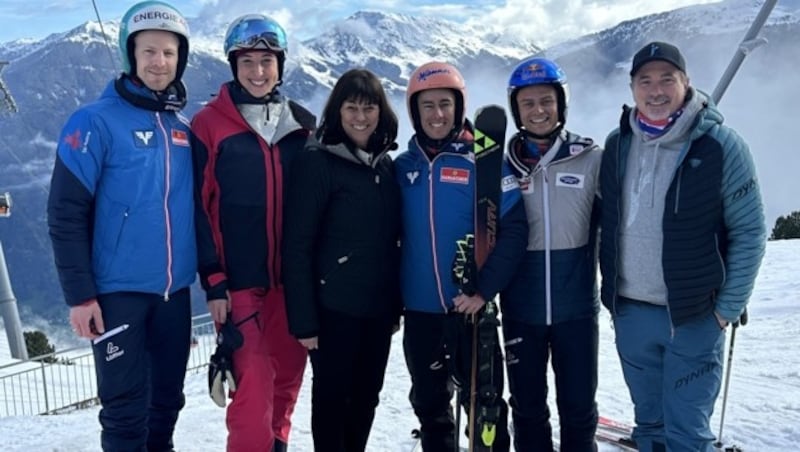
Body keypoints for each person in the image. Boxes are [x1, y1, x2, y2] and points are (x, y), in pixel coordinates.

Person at [599, 41, 766, 452]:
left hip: (693, 315)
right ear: (632, 87)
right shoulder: (617, 144)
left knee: (687, 432)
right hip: (631, 311)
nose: (656, 90)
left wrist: (725, 310)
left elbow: (750, 232)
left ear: (686, 82)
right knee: (650, 425)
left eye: (666, 79)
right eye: (645, 81)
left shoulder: (721, 146)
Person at [46, 1, 196, 450]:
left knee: (167, 404)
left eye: (169, 53)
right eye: (148, 51)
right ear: (130, 55)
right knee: (125, 412)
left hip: (174, 294)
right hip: (117, 295)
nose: (159, 62)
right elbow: (65, 213)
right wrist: (80, 296)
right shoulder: (93, 121)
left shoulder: (182, 127)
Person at [189, 13, 315, 452]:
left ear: (280, 64)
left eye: (267, 61)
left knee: (285, 385)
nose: (258, 72)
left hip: (294, 284)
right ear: (233, 66)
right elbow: (198, 208)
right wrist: (214, 279)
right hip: (240, 285)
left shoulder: (303, 124)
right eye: (248, 62)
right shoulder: (210, 125)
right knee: (251, 394)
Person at [394, 61, 528, 451]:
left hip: (472, 310)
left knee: (485, 408)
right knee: (431, 409)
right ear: (414, 113)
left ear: (459, 106)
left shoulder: (482, 162)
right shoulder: (403, 168)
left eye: (445, 104)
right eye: (427, 106)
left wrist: (485, 291)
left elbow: (515, 231)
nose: (437, 115)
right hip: (420, 313)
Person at [282, 68, 402, 452]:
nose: (361, 116)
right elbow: (297, 244)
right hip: (333, 309)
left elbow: (392, 241)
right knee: (334, 401)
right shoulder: (318, 161)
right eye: (352, 107)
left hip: (377, 310)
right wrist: (304, 320)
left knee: (367, 398)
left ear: (381, 112)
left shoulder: (384, 164)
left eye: (369, 107)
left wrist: (394, 306)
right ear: (338, 110)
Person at [500, 57, 602, 452]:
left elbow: (626, 223)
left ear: (561, 103)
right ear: (516, 110)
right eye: (528, 103)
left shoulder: (590, 157)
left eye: (547, 100)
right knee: (527, 408)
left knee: (577, 407)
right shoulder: (501, 165)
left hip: (575, 310)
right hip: (520, 310)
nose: (538, 110)